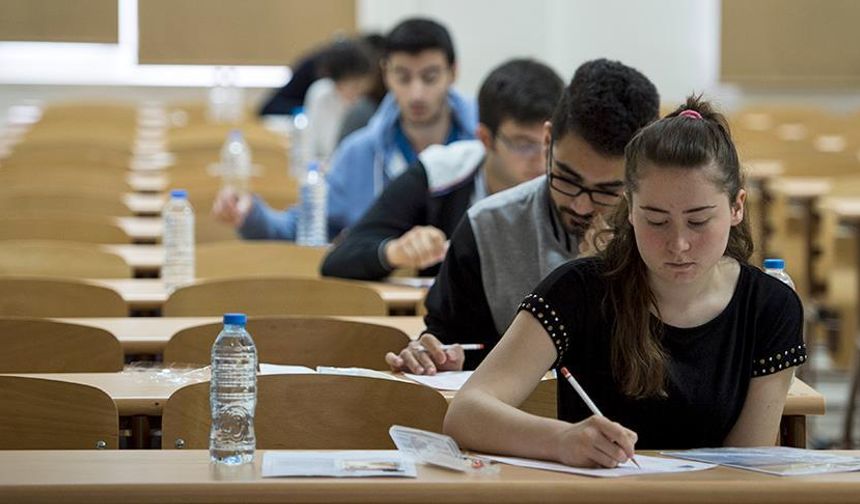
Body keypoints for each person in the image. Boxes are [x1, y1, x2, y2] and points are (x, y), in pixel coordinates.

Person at [443, 96, 806, 468]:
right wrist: (562, 440)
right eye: (656, 220)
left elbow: (745, 464)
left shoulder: (770, 306)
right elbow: (467, 413)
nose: (678, 244)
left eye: (698, 221)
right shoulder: (578, 291)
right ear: (629, 208)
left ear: (736, 207)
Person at [385, 59, 659, 374]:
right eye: (567, 179)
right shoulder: (488, 228)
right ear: (547, 141)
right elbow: (455, 341)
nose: (582, 206)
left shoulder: (672, 240)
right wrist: (434, 355)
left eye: (607, 191)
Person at [214, 18, 477, 241]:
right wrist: (250, 215)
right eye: (403, 77)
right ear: (385, 73)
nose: (416, 93)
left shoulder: (484, 146)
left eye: (430, 77)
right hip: (383, 299)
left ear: (453, 72)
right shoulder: (359, 153)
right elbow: (304, 229)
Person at [320, 58, 564, 281]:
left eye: (549, 144)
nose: (542, 160)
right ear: (485, 139)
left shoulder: (573, 187)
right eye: (523, 145)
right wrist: (396, 251)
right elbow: (339, 260)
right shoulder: (440, 172)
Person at [303, 38, 377, 161]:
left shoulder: (367, 106)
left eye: (360, 85)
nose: (357, 92)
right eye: (352, 85)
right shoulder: (320, 94)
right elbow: (308, 146)